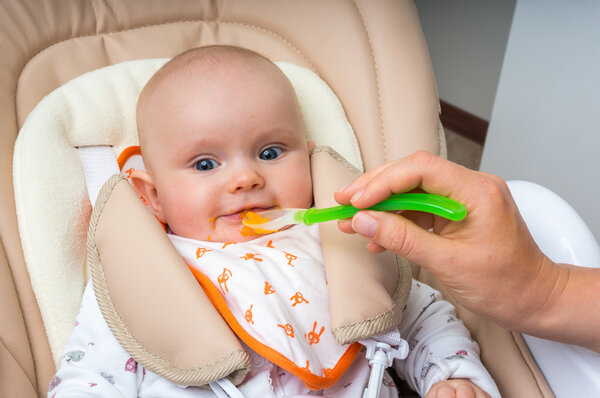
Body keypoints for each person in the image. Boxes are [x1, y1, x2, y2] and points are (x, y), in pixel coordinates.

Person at [49, 46, 499, 398]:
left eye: (270, 153)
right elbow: (91, 375)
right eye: (205, 164)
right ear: (153, 197)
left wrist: (450, 375)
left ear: (307, 156)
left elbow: (420, 316)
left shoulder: (338, 242)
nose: (246, 178)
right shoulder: (146, 274)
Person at [335, 151, 600, 354]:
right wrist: (549, 293)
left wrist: (451, 374)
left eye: (290, 149)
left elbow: (422, 319)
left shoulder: (343, 258)